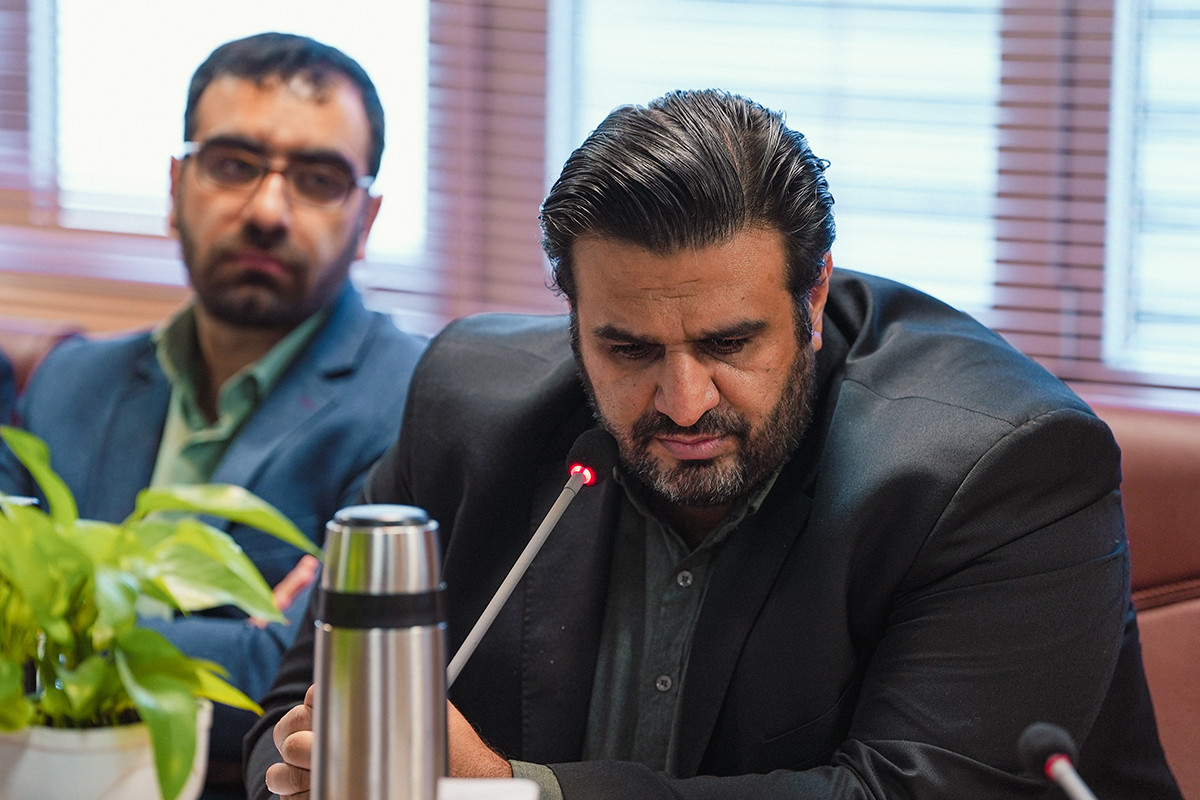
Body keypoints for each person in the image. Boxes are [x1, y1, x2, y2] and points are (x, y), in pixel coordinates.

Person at [246, 90, 1182, 799]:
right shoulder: (469, 408)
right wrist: (312, 770)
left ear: (813, 300)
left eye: (730, 344)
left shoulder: (998, 465)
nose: (684, 403)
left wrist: (507, 791)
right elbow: (292, 712)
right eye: (628, 349)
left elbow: (905, 793)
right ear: (573, 317)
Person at [0, 32, 426, 797]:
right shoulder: (69, 383)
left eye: (318, 179)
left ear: (365, 220)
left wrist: (60, 623)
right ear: (176, 187)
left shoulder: (416, 404)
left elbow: (304, 684)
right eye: (233, 164)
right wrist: (237, 639)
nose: (267, 210)